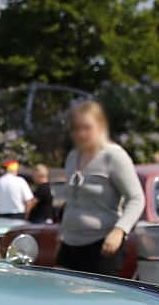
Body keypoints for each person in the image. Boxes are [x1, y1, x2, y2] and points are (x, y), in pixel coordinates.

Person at [57, 101, 143, 276]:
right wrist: (62, 234)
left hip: (102, 247)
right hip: (69, 245)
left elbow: (136, 198)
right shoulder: (73, 156)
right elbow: (71, 201)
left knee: (94, 301)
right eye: (76, 128)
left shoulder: (114, 156)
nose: (80, 134)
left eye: (87, 127)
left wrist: (119, 231)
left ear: (101, 126)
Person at [0, 158, 34, 222]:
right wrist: (26, 215)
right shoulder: (20, 181)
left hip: (2, 216)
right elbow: (29, 201)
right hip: (18, 215)